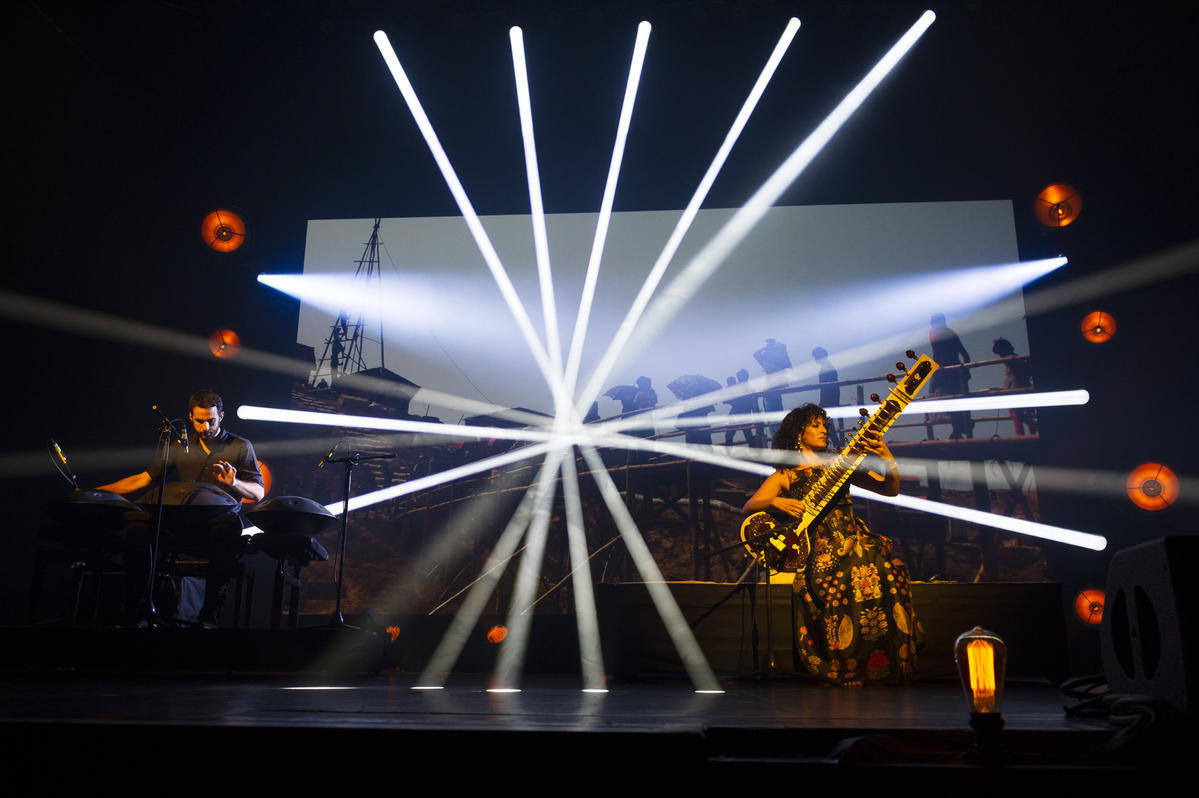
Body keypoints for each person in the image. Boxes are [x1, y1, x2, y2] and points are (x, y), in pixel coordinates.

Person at [742, 404, 921, 684]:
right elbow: (749, 506)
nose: (824, 429)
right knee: (848, 578)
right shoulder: (786, 475)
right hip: (820, 552)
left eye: (824, 424)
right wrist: (775, 500)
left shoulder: (838, 466)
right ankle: (847, 666)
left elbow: (890, 489)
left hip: (854, 541)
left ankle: (888, 664)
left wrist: (885, 455)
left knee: (890, 570)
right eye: (815, 425)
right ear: (798, 433)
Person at [99, 389, 263, 626]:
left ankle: (210, 613)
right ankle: (137, 607)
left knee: (225, 527)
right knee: (137, 524)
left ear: (222, 416)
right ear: (190, 416)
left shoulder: (240, 445)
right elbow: (145, 479)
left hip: (216, 523)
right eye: (199, 421)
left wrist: (234, 483)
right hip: (181, 522)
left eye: (211, 421)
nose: (205, 427)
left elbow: (258, 492)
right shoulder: (179, 445)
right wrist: (100, 492)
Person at [928, 313, 973, 439]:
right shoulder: (936, 333)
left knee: (955, 400)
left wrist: (966, 371)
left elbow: (963, 354)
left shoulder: (945, 334)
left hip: (950, 372)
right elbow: (965, 355)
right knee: (954, 400)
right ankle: (959, 429)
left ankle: (961, 429)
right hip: (947, 372)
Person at [992, 338, 1038, 436]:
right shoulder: (1019, 358)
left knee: (1016, 415)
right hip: (1022, 386)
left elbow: (1018, 372)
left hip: (1013, 388)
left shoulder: (1011, 359)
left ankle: (1025, 434)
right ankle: (1033, 430)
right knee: (1023, 414)